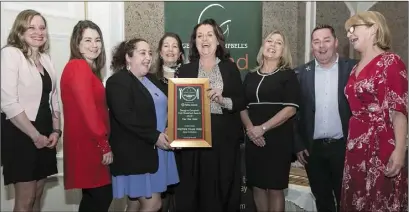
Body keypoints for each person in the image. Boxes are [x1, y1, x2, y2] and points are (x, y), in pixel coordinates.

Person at [174, 18, 245, 212]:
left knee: (222, 190)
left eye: (209, 34)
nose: (204, 39)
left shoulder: (230, 68)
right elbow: (177, 106)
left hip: (224, 140)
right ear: (194, 42)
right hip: (193, 141)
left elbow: (240, 101)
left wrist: (223, 100)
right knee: (193, 190)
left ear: (218, 40)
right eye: (199, 36)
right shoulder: (185, 70)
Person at [341, 11, 408, 211]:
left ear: (373, 28)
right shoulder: (355, 69)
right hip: (355, 146)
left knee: (380, 202)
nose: (349, 34)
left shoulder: (391, 62)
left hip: (381, 144)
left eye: (354, 28)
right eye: (347, 31)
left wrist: (399, 151)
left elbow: (399, 110)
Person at [106, 38, 179, 212]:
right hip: (136, 154)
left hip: (159, 152)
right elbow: (126, 117)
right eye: (142, 53)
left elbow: (166, 108)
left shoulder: (152, 79)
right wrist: (155, 137)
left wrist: (170, 127)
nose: (148, 57)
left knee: (135, 204)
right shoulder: (118, 81)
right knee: (153, 204)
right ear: (128, 57)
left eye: (150, 53)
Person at [1, 9, 61, 212]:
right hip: (21, 132)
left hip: (45, 131)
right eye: (32, 27)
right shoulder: (10, 54)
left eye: (42, 27)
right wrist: (35, 136)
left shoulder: (46, 59)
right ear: (20, 30)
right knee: (25, 200)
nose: (38, 32)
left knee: (37, 195)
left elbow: (53, 98)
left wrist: (56, 130)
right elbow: (9, 102)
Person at [294, 24, 357, 212]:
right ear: (312, 46)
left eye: (326, 40)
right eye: (316, 42)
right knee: (322, 201)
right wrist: (298, 145)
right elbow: (294, 114)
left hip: (344, 147)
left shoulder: (353, 68)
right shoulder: (299, 74)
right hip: (313, 151)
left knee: (346, 199)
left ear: (336, 43)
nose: (322, 46)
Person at [240, 30, 300, 212]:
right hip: (253, 139)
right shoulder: (250, 76)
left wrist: (263, 128)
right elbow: (242, 107)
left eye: (278, 43)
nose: (272, 45)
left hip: (277, 139)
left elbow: (290, 109)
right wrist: (251, 130)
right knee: (257, 186)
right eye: (269, 41)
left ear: (283, 51)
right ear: (262, 46)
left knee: (274, 188)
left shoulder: (288, 75)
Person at [60, 20, 113, 212]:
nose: (94, 45)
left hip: (89, 143)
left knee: (93, 199)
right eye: (88, 40)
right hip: (90, 145)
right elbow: (88, 110)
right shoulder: (78, 67)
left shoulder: (89, 70)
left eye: (97, 40)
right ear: (77, 43)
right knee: (101, 196)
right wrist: (103, 144)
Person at [154, 32, 185, 212]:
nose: (170, 50)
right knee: (161, 197)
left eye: (175, 46)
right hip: (161, 144)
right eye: (166, 45)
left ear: (181, 52)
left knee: (181, 196)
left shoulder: (190, 78)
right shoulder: (150, 79)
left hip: (185, 146)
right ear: (159, 52)